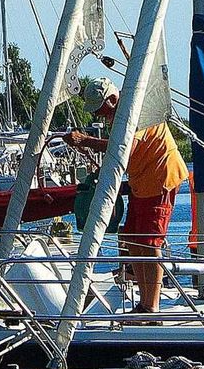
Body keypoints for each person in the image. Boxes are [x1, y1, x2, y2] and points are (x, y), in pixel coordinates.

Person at [68, 84, 188, 313]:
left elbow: (125, 148)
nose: (99, 115)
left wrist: (85, 140)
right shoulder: (121, 116)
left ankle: (150, 307)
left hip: (160, 179)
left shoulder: (137, 111)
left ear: (112, 99)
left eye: (101, 109)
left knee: (150, 244)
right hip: (142, 184)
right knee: (133, 239)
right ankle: (144, 302)